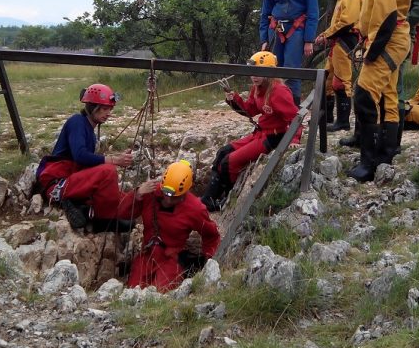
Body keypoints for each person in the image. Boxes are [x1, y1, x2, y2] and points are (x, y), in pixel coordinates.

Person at [347, 0, 412, 182]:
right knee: (386, 96)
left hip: (388, 39)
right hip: (391, 38)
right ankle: (386, 152)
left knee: (363, 95)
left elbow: (385, 16)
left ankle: (369, 162)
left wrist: (373, 51)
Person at [201, 51, 299, 212]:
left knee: (230, 162)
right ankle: (209, 198)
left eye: (259, 72)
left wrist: (294, 139)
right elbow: (250, 110)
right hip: (260, 133)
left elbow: (295, 117)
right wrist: (234, 100)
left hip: (274, 136)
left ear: (269, 72)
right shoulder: (257, 88)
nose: (254, 76)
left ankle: (227, 199)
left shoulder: (279, 91)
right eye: (252, 73)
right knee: (222, 153)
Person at [36, 83, 134, 229]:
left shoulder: (88, 128)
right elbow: (80, 155)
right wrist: (114, 160)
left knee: (126, 200)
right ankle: (102, 220)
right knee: (108, 171)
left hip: (74, 179)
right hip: (58, 183)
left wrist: (113, 158)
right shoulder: (77, 122)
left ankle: (82, 208)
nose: (109, 113)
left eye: (110, 109)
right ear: (93, 107)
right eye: (105, 109)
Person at [116, 160, 221, 291]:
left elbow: (211, 236)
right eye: (166, 193)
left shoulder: (195, 209)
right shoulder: (151, 192)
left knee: (160, 293)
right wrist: (137, 194)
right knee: (132, 291)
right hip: (147, 254)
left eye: (175, 197)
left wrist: (208, 261)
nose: (169, 200)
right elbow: (122, 212)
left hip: (171, 259)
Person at [259, 0, 319, 106]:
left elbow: (313, 10)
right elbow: (265, 12)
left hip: (297, 29)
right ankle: (275, 105)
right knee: (274, 68)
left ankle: (292, 109)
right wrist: (264, 39)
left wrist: (309, 40)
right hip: (276, 28)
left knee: (292, 70)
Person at [314, 0, 365, 132]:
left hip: (346, 40)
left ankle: (343, 121)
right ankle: (327, 117)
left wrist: (326, 34)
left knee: (341, 81)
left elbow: (346, 21)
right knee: (327, 78)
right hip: (339, 41)